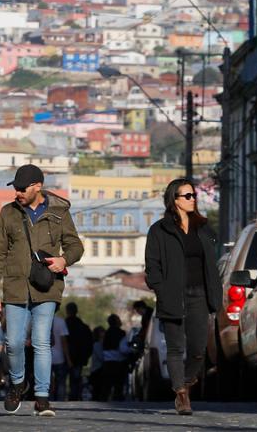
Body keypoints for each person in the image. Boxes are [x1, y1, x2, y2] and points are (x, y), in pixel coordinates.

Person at [0, 164, 84, 417]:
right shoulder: (8, 213)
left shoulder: (59, 212)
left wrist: (64, 260)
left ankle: (42, 398)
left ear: (37, 187)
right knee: (13, 342)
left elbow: (75, 246)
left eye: (22, 188)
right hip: (15, 287)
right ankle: (18, 384)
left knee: (42, 342)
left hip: (47, 287)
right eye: (15, 188)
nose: (17, 192)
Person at [144, 178, 222, 416]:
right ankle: (181, 394)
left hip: (199, 294)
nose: (192, 200)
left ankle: (186, 382)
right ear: (174, 200)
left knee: (198, 348)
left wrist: (214, 292)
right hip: (173, 295)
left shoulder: (204, 227)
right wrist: (161, 289)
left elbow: (211, 263)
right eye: (187, 196)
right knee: (176, 348)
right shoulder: (159, 229)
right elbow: (152, 265)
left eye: (193, 195)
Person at [64, 302, 93, 401]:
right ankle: (74, 398)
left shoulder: (64, 324)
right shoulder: (83, 327)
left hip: (63, 358)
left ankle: (60, 398)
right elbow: (89, 343)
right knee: (75, 381)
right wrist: (85, 357)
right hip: (79, 359)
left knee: (62, 381)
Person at [98, 314, 129, 401]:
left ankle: (103, 401)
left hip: (107, 363)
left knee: (106, 386)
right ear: (116, 322)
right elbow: (123, 349)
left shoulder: (106, 333)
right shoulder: (121, 333)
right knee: (118, 386)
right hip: (119, 363)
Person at [49, 314, 70, 401]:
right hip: (59, 357)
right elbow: (64, 342)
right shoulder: (61, 321)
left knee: (47, 381)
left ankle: (47, 399)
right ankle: (60, 401)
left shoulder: (43, 320)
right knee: (61, 382)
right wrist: (68, 359)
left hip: (46, 357)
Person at [88, 326, 105, 400]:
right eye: (102, 331)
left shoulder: (100, 343)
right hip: (97, 369)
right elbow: (101, 357)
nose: (104, 333)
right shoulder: (97, 344)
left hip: (98, 369)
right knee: (97, 390)